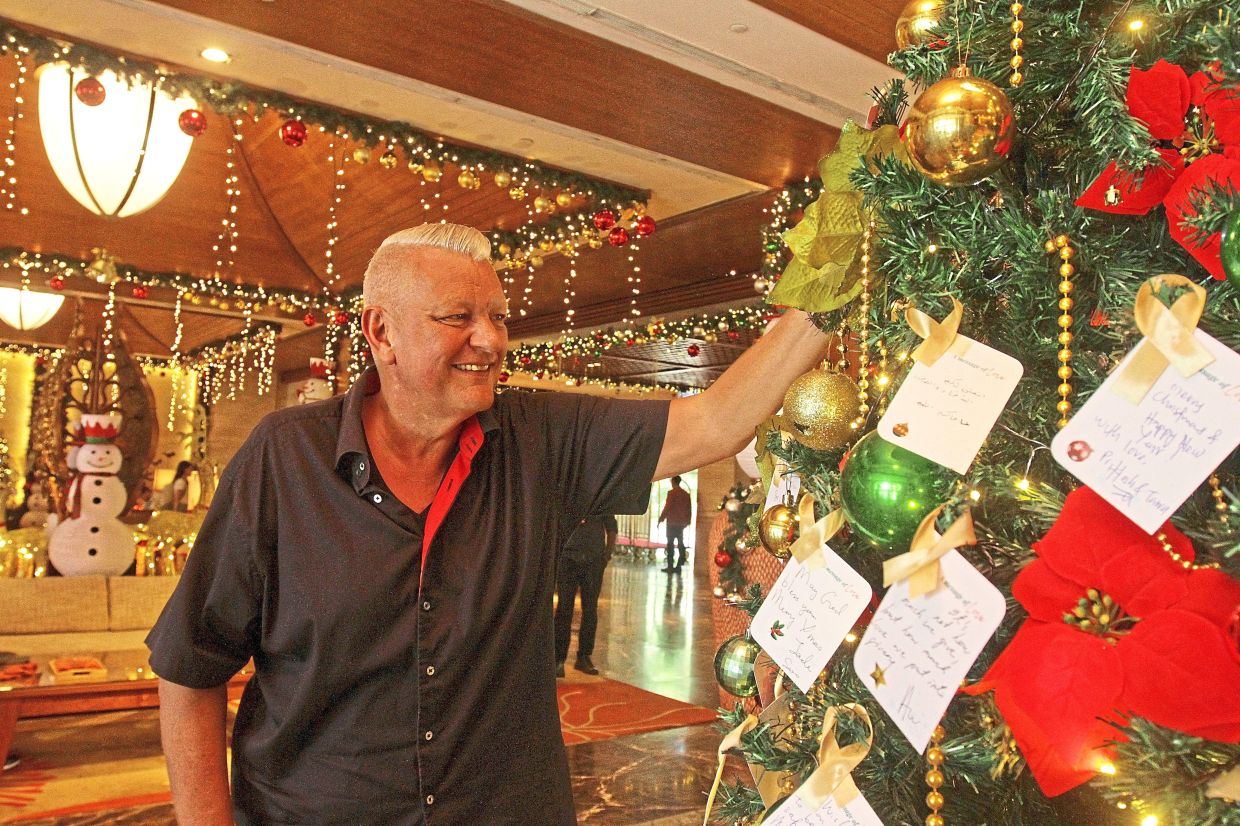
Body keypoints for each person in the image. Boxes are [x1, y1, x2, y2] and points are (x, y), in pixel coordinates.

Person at [147, 223, 832, 826]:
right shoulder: (285, 457)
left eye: (498, 316)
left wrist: (840, 268)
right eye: (457, 317)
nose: (491, 339)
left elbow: (715, 422)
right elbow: (190, 665)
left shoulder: (542, 438)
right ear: (379, 331)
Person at [554, 514, 617, 677]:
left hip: (593, 560)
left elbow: (611, 526)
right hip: (567, 558)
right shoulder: (571, 494)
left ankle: (584, 657)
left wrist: (607, 554)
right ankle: (558, 659)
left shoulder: (602, 498)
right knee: (564, 609)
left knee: (590, 610)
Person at [658, 475, 692, 573]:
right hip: (681, 523)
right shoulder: (685, 494)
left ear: (673, 482)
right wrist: (687, 521)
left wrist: (661, 518)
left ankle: (670, 566)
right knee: (681, 543)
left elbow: (667, 507)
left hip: (672, 522)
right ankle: (679, 565)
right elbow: (689, 509)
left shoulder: (672, 493)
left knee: (670, 544)